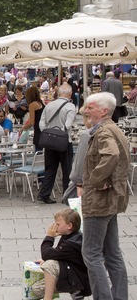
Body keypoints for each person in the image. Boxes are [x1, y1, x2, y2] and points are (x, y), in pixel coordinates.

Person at [79, 92, 130, 300]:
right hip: (112, 200)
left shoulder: (103, 132)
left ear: (104, 110)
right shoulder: (113, 128)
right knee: (112, 253)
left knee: (91, 254)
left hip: (99, 202)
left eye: (91, 107)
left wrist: (95, 180)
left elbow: (112, 155)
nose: (85, 110)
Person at [31, 209, 90, 300]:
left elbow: (46, 254)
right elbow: (57, 255)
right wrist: (47, 259)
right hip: (70, 271)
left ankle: (51, 297)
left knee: (50, 265)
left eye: (58, 224)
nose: (55, 226)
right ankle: (73, 289)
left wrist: (49, 237)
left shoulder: (70, 244)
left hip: (77, 278)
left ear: (69, 226)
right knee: (37, 289)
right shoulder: (71, 237)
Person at [37, 84, 76, 204]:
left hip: (49, 141)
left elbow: (41, 123)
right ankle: (67, 196)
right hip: (64, 141)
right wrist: (61, 132)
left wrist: (48, 132)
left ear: (59, 93)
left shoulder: (49, 105)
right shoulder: (70, 106)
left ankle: (44, 194)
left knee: (50, 168)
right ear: (69, 94)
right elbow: (68, 124)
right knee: (67, 169)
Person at [20, 85, 44, 151]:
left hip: (37, 131)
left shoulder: (32, 105)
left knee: (37, 150)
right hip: (43, 130)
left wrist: (23, 128)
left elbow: (31, 122)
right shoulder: (41, 103)